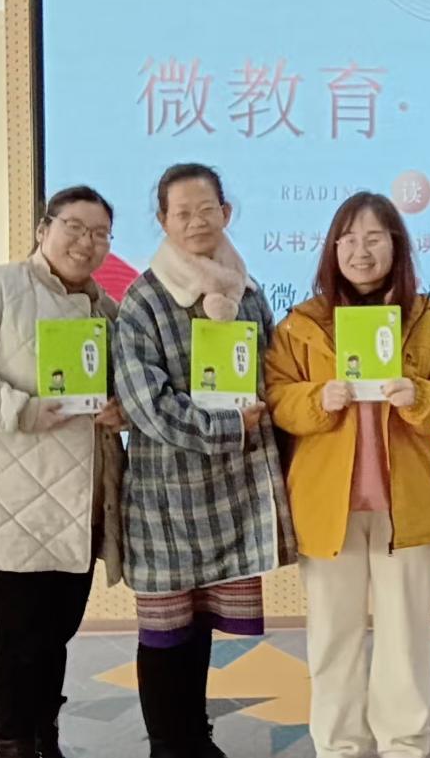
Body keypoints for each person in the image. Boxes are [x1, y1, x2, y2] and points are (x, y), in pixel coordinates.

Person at [264, 191, 430, 758]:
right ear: (333, 249)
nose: (361, 251)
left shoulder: (425, 321)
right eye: (350, 239)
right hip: (326, 509)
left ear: (396, 247)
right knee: (332, 637)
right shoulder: (302, 324)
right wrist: (316, 398)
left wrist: (420, 395)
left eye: (375, 238)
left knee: (405, 637)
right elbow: (276, 398)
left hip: (403, 507)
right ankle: (339, 746)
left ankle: (404, 745)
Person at [0, 185, 132, 758]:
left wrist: (121, 408)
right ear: (44, 230)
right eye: (74, 227)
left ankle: (45, 737)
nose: (86, 242)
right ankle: (13, 745)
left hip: (81, 503)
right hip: (10, 497)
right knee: (17, 634)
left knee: (57, 631)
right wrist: (16, 408)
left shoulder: (107, 311)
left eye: (100, 233)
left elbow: (120, 386)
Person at [114, 163, 297, 758]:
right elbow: (145, 404)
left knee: (199, 626)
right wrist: (229, 426)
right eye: (182, 212)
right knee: (166, 630)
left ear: (227, 212)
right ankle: (169, 743)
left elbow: (271, 374)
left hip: (230, 491)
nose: (196, 221)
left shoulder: (249, 293)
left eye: (207, 209)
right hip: (167, 495)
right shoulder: (143, 298)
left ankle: (195, 735)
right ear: (163, 220)